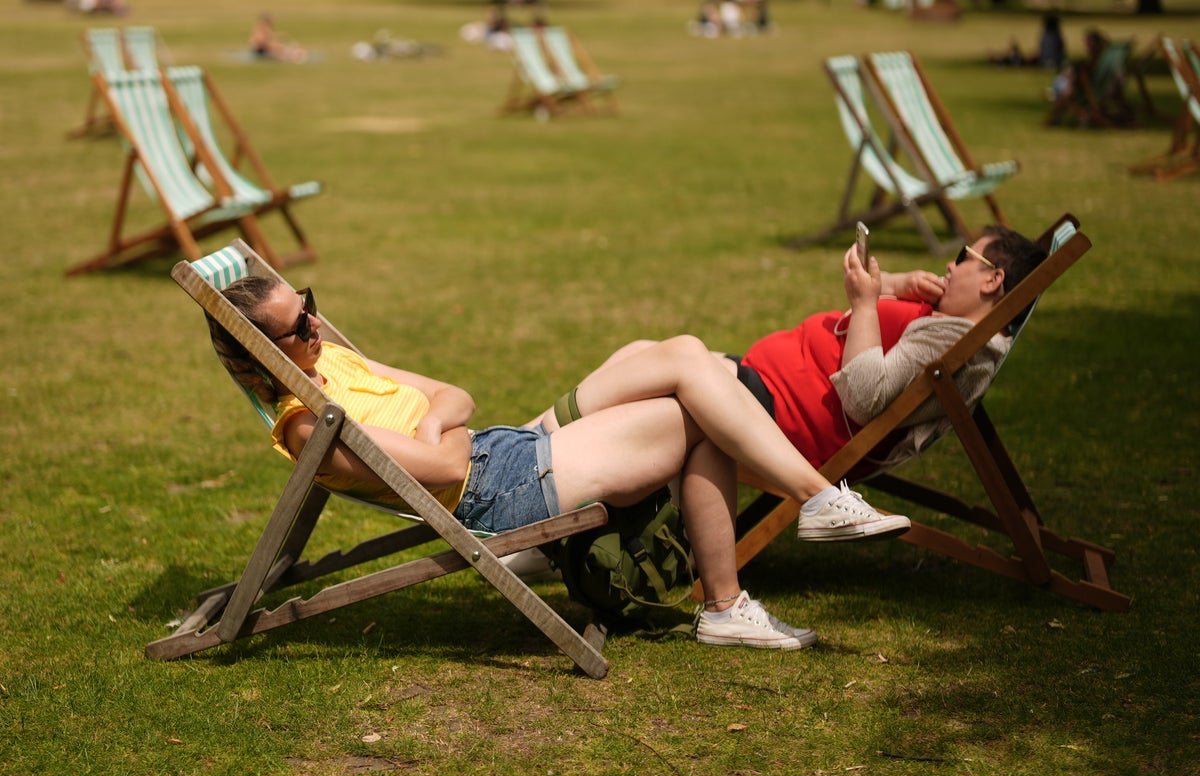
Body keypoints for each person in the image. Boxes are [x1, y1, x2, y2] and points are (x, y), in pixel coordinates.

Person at [208, 280, 912, 652]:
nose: (316, 328)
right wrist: (441, 427)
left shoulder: (327, 361)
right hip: (499, 491)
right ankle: (785, 537)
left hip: (502, 451)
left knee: (676, 349)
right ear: (255, 356)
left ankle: (783, 541)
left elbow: (454, 397)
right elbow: (449, 462)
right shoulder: (311, 429)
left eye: (311, 307)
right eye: (298, 328)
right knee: (699, 406)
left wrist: (431, 418)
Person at [528, 226, 1046, 481]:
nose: (950, 267)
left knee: (665, 375)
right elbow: (868, 303)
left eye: (964, 257)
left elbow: (867, 398)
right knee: (641, 352)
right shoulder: (947, 320)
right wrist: (897, 283)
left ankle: (526, 456)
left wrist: (868, 301)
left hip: (784, 423)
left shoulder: (956, 345)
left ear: (994, 279)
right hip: (768, 391)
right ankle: (529, 454)